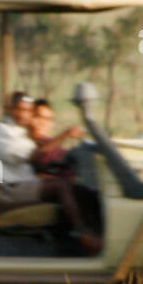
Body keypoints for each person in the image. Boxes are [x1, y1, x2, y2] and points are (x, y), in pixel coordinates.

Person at [30, 99, 102, 255]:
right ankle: (85, 236)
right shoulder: (30, 142)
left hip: (68, 182)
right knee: (70, 188)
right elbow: (38, 158)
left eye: (48, 119)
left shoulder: (49, 142)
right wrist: (66, 134)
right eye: (39, 116)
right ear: (31, 118)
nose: (44, 123)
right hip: (44, 188)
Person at [0, 91, 42, 207]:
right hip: (8, 189)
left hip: (22, 183)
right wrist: (64, 135)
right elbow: (32, 156)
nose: (24, 115)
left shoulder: (22, 132)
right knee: (61, 187)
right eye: (21, 110)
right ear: (11, 110)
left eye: (29, 111)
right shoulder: (3, 131)